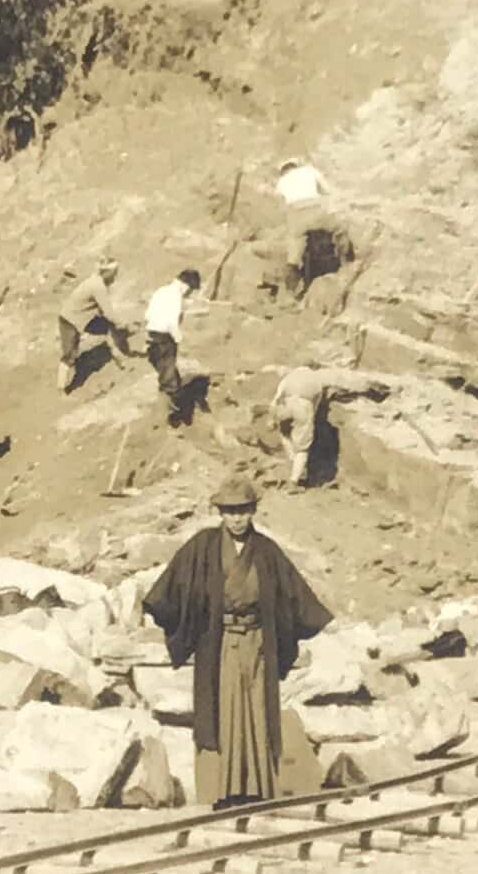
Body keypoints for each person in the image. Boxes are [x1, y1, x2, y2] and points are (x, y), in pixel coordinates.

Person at [143, 476, 332, 809]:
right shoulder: (203, 546)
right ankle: (221, 792)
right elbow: (171, 589)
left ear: (253, 511)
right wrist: (175, 617)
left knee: (257, 712)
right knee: (221, 714)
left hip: (258, 644)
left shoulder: (267, 551)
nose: (236, 519)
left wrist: (298, 627)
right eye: (229, 512)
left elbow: (294, 596)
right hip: (219, 644)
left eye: (243, 511)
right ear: (220, 513)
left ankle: (256, 791)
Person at [269, 363, 389, 486]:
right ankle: (294, 481)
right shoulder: (315, 379)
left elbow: (275, 399)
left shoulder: (290, 376)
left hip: (286, 404)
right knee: (302, 448)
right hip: (304, 406)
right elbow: (315, 404)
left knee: (284, 431)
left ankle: (292, 457)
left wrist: (272, 418)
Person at [56, 257, 133, 394]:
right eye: (114, 273)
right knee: (69, 355)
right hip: (70, 320)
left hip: (83, 317)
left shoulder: (97, 281)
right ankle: (61, 389)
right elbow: (108, 312)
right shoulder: (98, 286)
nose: (115, 276)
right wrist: (124, 324)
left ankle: (122, 361)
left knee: (108, 329)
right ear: (107, 273)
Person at [144, 268, 202, 427]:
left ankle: (168, 409)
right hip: (165, 337)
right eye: (190, 291)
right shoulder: (175, 296)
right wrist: (180, 340)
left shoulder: (161, 291)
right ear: (186, 286)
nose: (189, 294)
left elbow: (147, 315)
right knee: (169, 378)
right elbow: (171, 323)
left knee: (165, 371)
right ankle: (166, 417)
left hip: (152, 334)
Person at [275, 156, 332, 301]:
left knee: (293, 256)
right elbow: (327, 190)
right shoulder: (310, 171)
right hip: (316, 212)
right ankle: (347, 260)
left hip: (296, 215)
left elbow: (280, 204)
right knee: (338, 230)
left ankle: (290, 292)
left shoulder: (282, 181)